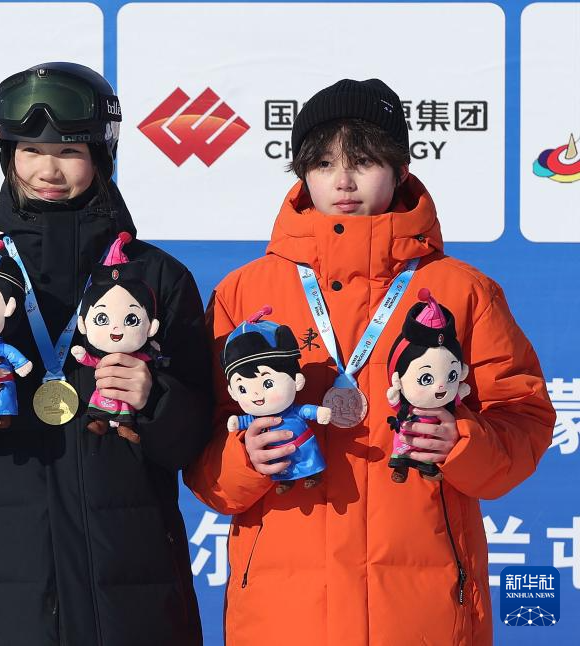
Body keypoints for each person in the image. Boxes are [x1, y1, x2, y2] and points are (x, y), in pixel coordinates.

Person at [184, 78, 555, 644]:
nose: (344, 181)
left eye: (364, 161)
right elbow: (198, 445)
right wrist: (244, 457)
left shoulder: (464, 292)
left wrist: (461, 440)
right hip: (283, 615)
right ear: (301, 173)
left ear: (401, 169)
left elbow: (523, 420)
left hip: (425, 612)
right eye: (324, 163)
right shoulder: (243, 293)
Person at [0, 62, 211, 646]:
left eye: (68, 150)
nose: (48, 170)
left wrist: (155, 398)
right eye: (30, 150)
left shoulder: (158, 278)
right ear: (7, 154)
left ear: (102, 155)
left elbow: (196, 443)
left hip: (130, 591)